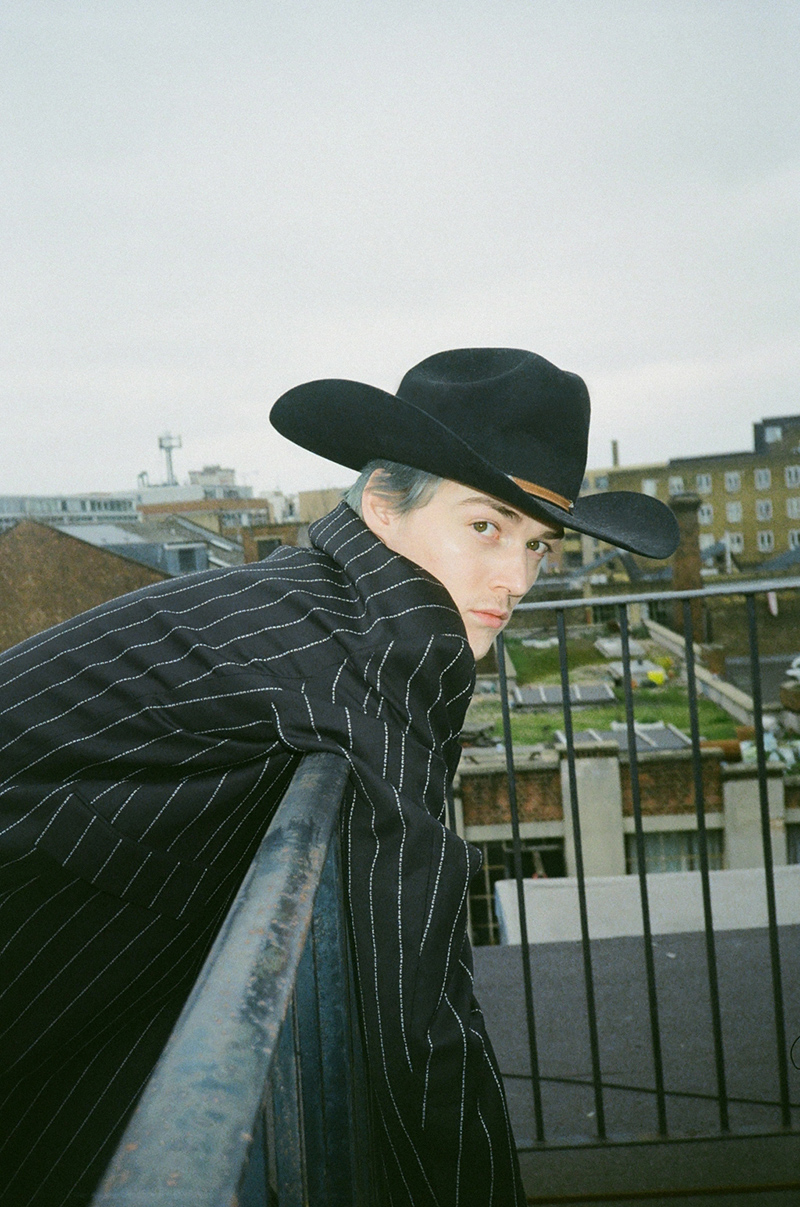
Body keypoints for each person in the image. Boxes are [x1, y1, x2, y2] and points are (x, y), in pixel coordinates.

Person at [0, 347, 678, 1206]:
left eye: (538, 545)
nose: (515, 579)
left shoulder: (315, 593)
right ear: (386, 503)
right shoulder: (386, 645)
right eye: (485, 526)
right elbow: (415, 1006)